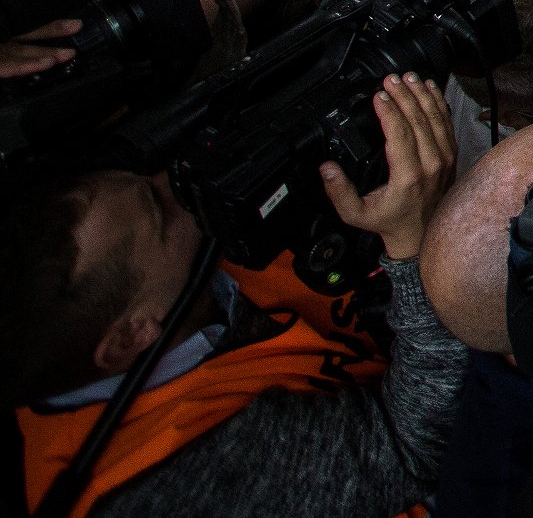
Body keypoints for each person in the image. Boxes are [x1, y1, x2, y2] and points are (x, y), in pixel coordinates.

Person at [5, 81, 468, 518]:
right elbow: (415, 447)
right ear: (130, 336)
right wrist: (413, 243)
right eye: (160, 211)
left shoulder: (125, 291)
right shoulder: (178, 483)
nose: (174, 180)